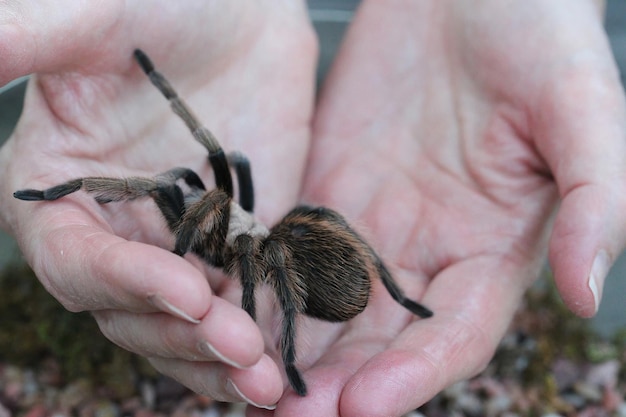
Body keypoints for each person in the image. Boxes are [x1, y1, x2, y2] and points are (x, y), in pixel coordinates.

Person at [1, 1, 624, 415]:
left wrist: (256, 322)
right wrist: (83, 187)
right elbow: (194, 189)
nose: (192, 206)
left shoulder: (247, 230)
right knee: (198, 179)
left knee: (232, 170)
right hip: (272, 237)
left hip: (289, 258)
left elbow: (226, 199)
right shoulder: (227, 211)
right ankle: (74, 189)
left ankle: (292, 340)